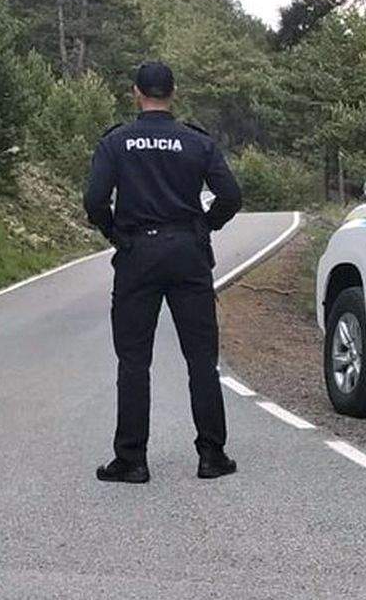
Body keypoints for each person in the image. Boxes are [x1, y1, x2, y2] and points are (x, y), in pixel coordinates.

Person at [84, 61, 244, 483]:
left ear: (136, 92)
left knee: (134, 360)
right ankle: (212, 455)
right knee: (201, 359)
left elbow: (95, 199)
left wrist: (116, 234)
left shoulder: (116, 142)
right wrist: (205, 225)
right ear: (173, 93)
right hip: (188, 253)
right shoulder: (196, 142)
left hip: (138, 253)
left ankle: (132, 459)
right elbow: (230, 195)